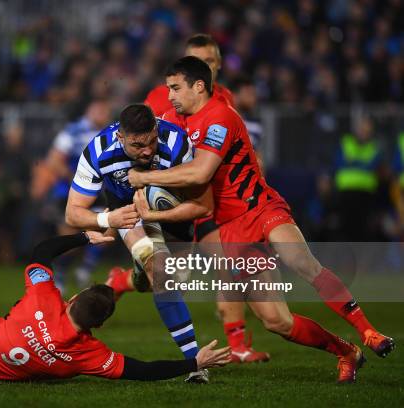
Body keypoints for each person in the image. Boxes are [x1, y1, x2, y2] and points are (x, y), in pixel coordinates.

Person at [128, 56, 395, 383]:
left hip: (261, 209)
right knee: (276, 321)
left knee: (300, 261)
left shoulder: (220, 116)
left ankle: (369, 332)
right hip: (230, 230)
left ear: (198, 86)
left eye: (175, 88)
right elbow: (141, 139)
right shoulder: (172, 120)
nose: (168, 95)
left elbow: (201, 171)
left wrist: (145, 181)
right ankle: (347, 352)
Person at [0, 231, 231, 382]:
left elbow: (41, 252)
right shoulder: (88, 353)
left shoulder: (44, 298)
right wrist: (194, 361)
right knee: (5, 328)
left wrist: (87, 236)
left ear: (72, 297)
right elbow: (143, 370)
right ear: (97, 327)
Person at [141, 33, 268, 363]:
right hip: (176, 195)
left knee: (230, 264)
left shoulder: (224, 100)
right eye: (198, 60)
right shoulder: (160, 98)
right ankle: (118, 282)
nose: (205, 67)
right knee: (165, 272)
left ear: (218, 65)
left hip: (211, 197)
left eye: (210, 62)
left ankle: (238, 345)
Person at [65, 103, 213, 383]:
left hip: (171, 210)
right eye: (137, 145)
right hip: (127, 213)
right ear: (121, 138)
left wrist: (156, 213)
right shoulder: (98, 151)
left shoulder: (176, 143)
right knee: (162, 273)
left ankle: (123, 281)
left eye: (150, 142)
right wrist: (107, 220)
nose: (146, 150)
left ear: (156, 130)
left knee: (174, 276)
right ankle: (195, 364)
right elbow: (73, 213)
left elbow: (203, 207)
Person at [30, 99, 112, 291]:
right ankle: (60, 273)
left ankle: (85, 269)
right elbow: (53, 160)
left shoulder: (109, 133)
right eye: (99, 109)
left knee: (108, 229)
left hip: (99, 192)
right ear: (89, 110)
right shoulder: (73, 131)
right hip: (70, 190)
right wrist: (77, 178)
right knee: (69, 235)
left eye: (105, 110)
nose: (103, 114)